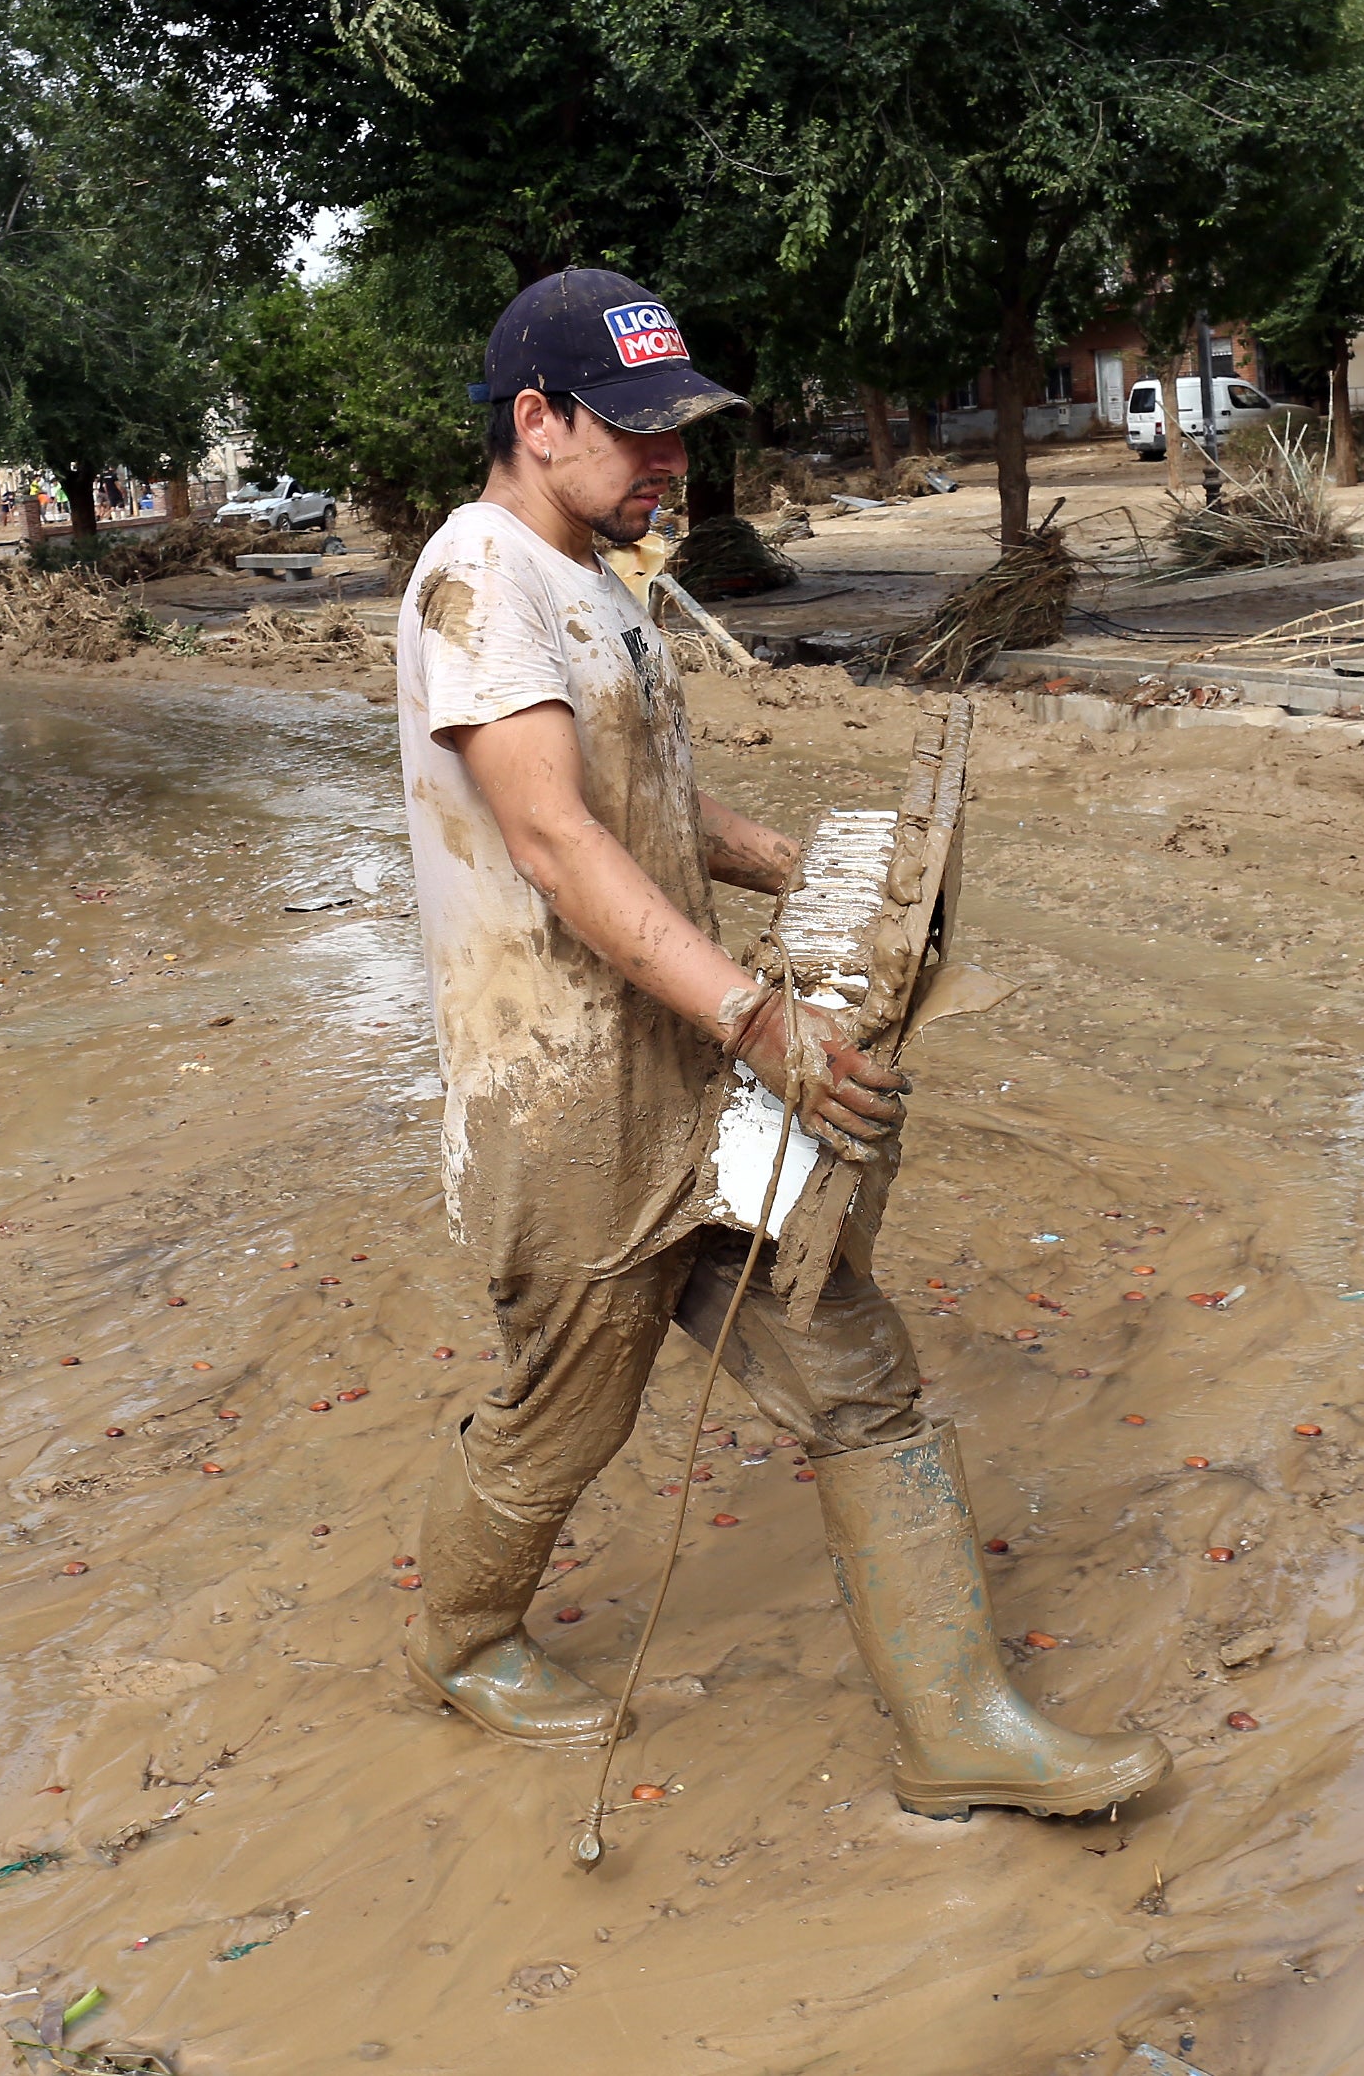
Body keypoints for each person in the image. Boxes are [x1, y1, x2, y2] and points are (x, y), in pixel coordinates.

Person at [394, 269, 1168, 1821]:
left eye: (682, 427)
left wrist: (812, 864)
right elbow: (552, 841)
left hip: (683, 1065)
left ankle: (961, 1724)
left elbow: (648, 817)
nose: (671, 459)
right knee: (571, 1406)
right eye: (637, 432)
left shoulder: (595, 576)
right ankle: (459, 1636)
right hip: (563, 1101)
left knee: (854, 1365)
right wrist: (757, 1013)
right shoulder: (475, 583)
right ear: (535, 422)